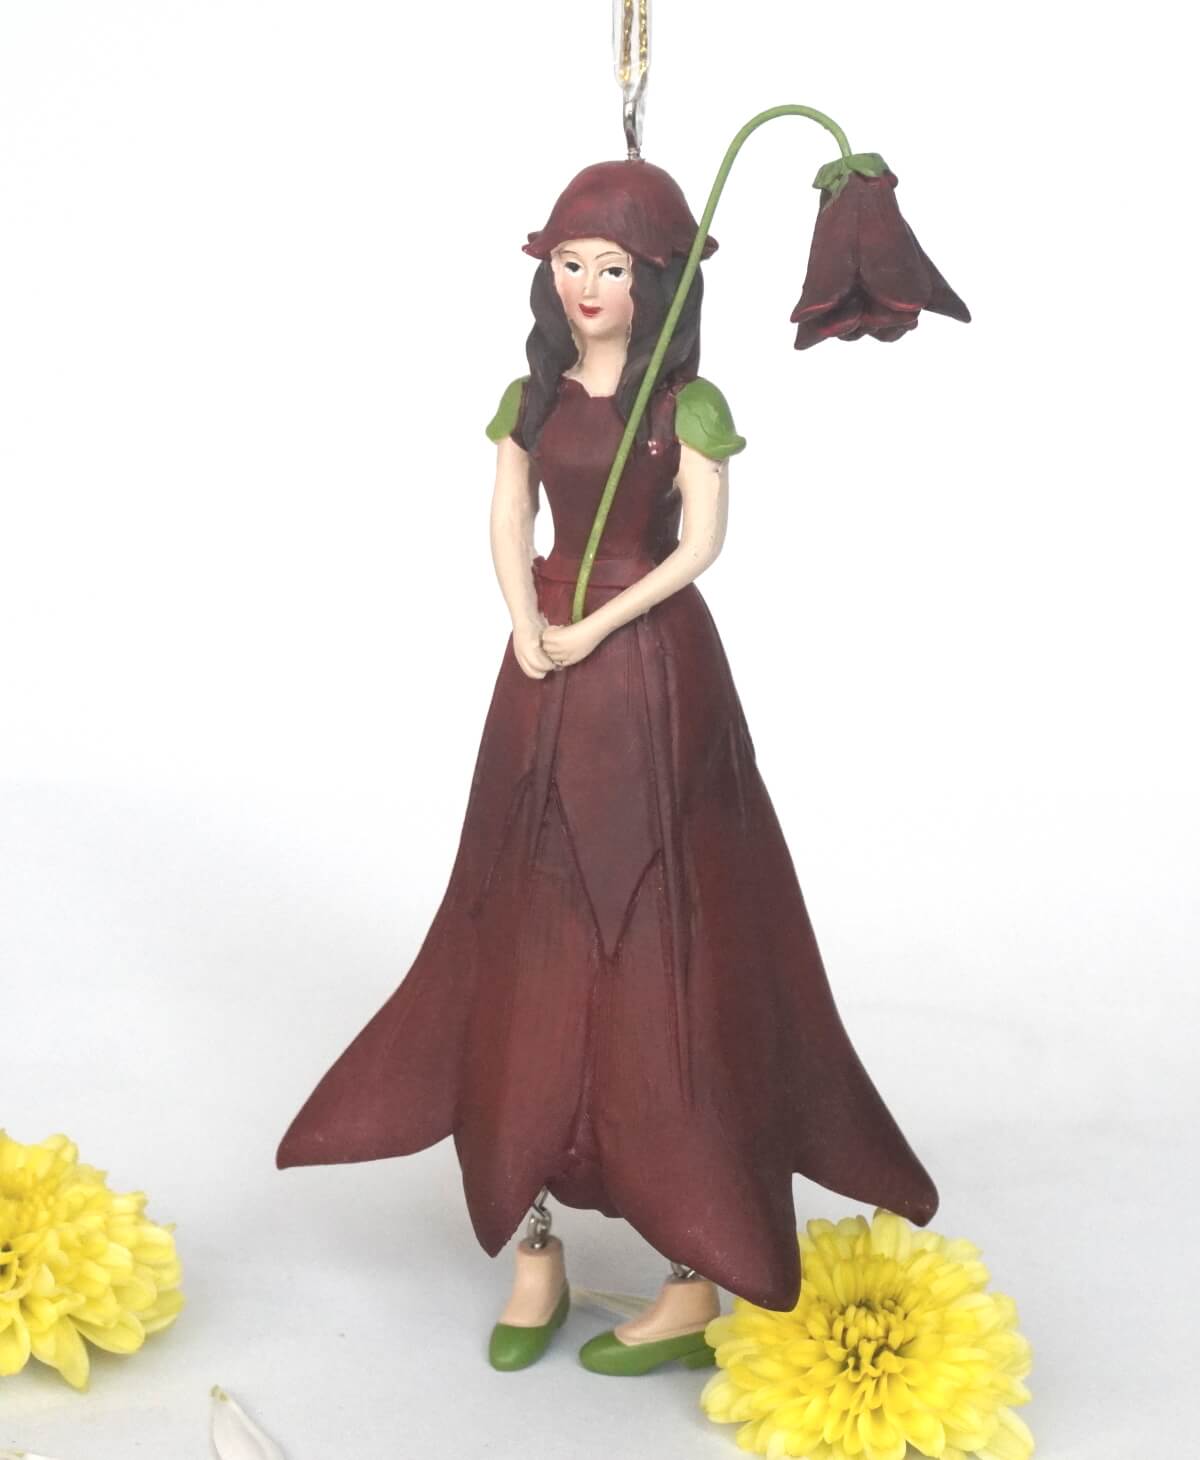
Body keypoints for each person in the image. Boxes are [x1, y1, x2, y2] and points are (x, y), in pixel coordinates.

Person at [276, 159, 938, 1377]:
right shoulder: (530, 396)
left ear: (658, 282)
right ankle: (534, 1241)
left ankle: (692, 1270)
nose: (586, 284)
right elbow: (506, 514)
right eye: (570, 262)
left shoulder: (688, 403)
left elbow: (702, 544)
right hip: (541, 672)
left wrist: (599, 621)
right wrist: (526, 615)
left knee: (666, 933)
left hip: (650, 681)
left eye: (613, 265)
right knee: (524, 920)